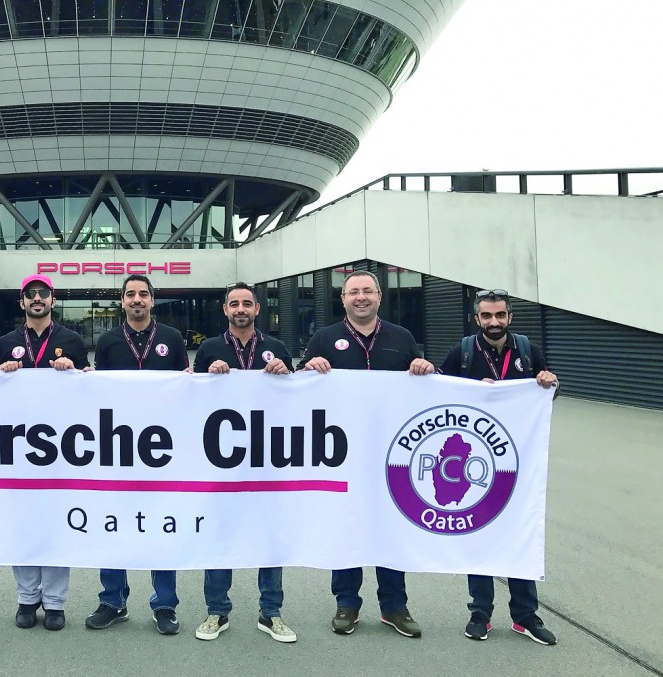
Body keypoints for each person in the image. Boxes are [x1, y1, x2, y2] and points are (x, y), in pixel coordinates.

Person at [301, 269, 435, 638]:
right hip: (341, 456)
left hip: (392, 455)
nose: (361, 297)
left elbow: (425, 387)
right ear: (342, 299)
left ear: (378, 296)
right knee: (346, 528)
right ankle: (347, 604)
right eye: (353, 292)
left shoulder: (401, 337)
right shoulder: (325, 338)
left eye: (367, 291)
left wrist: (424, 368)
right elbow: (297, 391)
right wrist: (308, 367)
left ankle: (395, 607)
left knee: (389, 528)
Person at [439, 288, 560, 646]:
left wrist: (549, 383)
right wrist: (474, 389)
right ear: (476, 319)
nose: (494, 322)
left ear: (510, 317)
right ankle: (480, 613)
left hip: (517, 461)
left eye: (500, 315)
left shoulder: (526, 350)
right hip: (472, 462)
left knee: (518, 533)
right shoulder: (462, 353)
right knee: (479, 533)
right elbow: (438, 394)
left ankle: (525, 616)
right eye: (487, 316)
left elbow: (549, 394)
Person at [191, 282, 297, 643]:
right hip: (221, 461)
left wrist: (287, 375)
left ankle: (271, 613)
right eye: (234, 304)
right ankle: (216, 611)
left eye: (246, 304)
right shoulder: (209, 349)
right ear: (225, 310)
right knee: (222, 533)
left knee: (269, 535)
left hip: (268, 458)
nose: (240, 309)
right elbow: (191, 402)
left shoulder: (277, 348)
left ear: (257, 310)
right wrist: (208, 375)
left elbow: (294, 404)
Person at [86, 273, 190, 635]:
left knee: (162, 525)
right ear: (122, 302)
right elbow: (100, 390)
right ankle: (112, 601)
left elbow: (186, 389)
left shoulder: (172, 339)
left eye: (143, 294)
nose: (137, 300)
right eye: (130, 294)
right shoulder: (109, 340)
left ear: (152, 301)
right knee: (113, 523)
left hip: (163, 451)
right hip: (119, 447)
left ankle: (164, 604)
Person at [0, 274, 90, 632]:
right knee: (23, 524)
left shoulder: (72, 340)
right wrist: (3, 374)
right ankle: (26, 598)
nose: (37, 299)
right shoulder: (5, 342)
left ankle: (54, 603)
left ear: (53, 300)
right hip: (16, 447)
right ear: (22, 302)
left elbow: (89, 389)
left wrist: (75, 370)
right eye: (30, 294)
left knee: (54, 523)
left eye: (43, 294)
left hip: (61, 447)